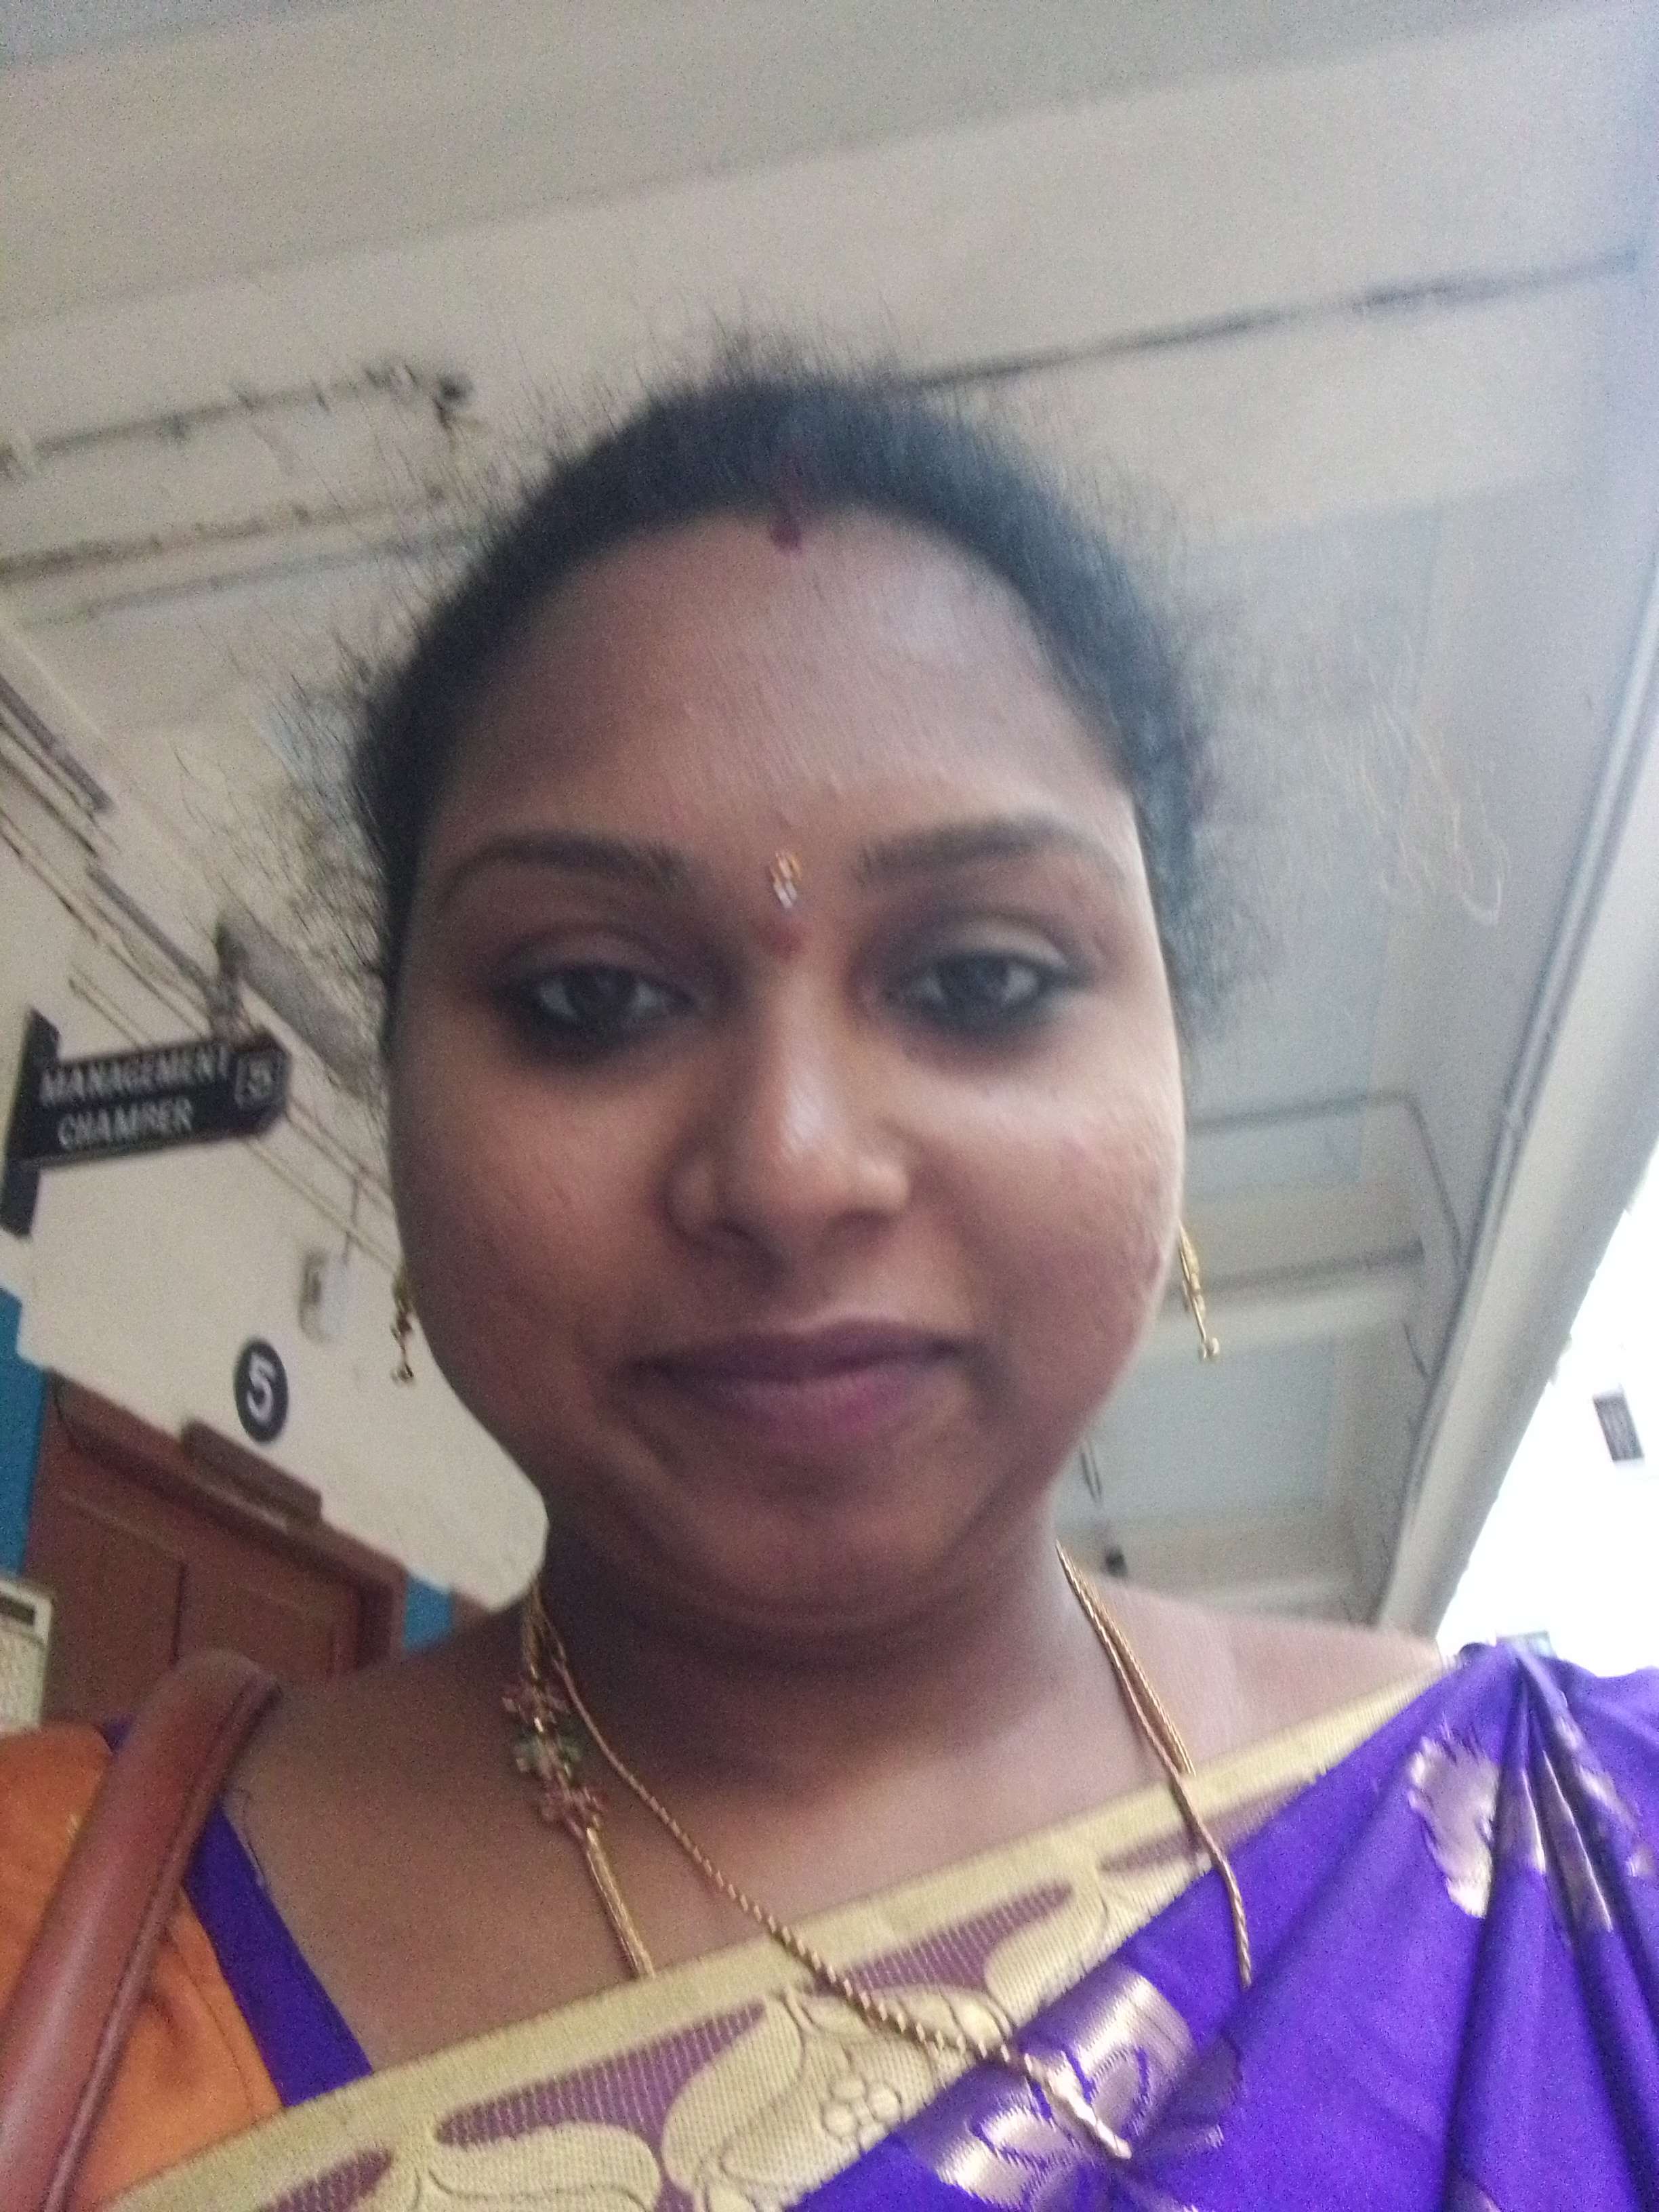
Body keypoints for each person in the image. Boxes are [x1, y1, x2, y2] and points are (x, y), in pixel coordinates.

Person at [2, 367, 1654, 2211]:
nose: (792, 1169)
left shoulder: (1577, 1880)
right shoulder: (40, 1928)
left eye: (980, 980)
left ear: (1174, 1066)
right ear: (395, 1089)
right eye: (588, 998)